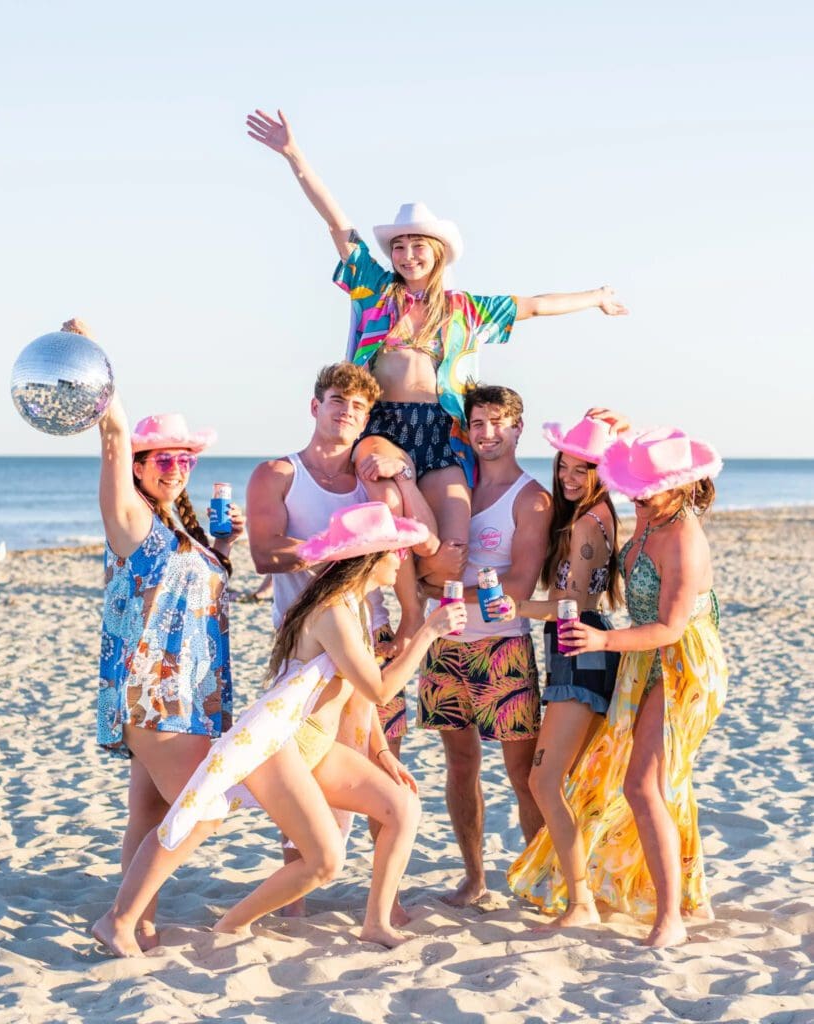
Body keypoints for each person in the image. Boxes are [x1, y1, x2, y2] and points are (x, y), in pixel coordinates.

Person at [245, 107, 628, 597]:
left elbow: (534, 305)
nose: (407, 255)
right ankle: (407, 617)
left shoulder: (466, 310)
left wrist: (595, 297)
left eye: (417, 245)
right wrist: (293, 154)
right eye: (399, 246)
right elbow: (337, 224)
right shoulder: (376, 291)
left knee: (450, 555)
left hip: (443, 430)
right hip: (383, 426)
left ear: (438, 251)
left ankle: (423, 593)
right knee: (390, 525)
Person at [92, 502, 467, 957]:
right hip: (281, 746)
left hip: (318, 745)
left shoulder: (357, 607)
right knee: (315, 857)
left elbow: (358, 693)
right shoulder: (333, 613)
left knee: (402, 807)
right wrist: (428, 633)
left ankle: (376, 922)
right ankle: (217, 924)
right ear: (370, 557)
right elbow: (381, 687)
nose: (402, 560)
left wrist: (381, 752)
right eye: (395, 552)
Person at [507, 427, 728, 948]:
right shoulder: (650, 515)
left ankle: (669, 918)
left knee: (643, 785)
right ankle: (676, 898)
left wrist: (600, 643)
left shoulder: (685, 539)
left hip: (682, 663)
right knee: (645, 784)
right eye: (635, 486)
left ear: (682, 485)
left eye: (648, 487)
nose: (637, 495)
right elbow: (601, 451)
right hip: (641, 655)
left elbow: (672, 627)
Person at [246, 362, 437, 918]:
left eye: (357, 407)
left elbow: (417, 543)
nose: (346, 412)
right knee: (301, 760)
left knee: (381, 760)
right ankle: (294, 894)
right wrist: (335, 549)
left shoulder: (370, 482)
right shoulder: (278, 473)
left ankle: (386, 900)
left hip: (368, 636)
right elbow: (263, 553)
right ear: (314, 406)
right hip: (304, 641)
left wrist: (400, 477)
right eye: (336, 401)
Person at [96, 382, 244, 951]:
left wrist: (223, 549)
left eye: (185, 460)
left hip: (191, 693)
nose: (177, 469)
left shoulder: (175, 524)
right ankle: (120, 919)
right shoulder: (129, 514)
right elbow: (112, 436)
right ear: (137, 466)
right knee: (207, 809)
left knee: (150, 810)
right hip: (155, 694)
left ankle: (144, 920)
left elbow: (187, 592)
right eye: (164, 459)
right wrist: (97, 370)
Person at [417, 384, 552, 905]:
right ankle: (474, 877)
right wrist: (429, 591)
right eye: (477, 423)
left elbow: (518, 588)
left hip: (502, 647)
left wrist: (438, 590)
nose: (487, 432)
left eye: (498, 422)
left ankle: (539, 881)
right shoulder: (452, 491)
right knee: (459, 767)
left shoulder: (532, 497)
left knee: (523, 776)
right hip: (445, 644)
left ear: (518, 427)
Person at [495, 411, 624, 926]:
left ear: (599, 472)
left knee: (544, 781)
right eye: (564, 467)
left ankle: (581, 902)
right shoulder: (587, 514)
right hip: (569, 647)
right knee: (559, 780)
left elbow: (572, 604)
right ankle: (576, 888)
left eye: (581, 470)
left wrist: (516, 609)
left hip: (581, 646)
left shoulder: (590, 523)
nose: (569, 478)